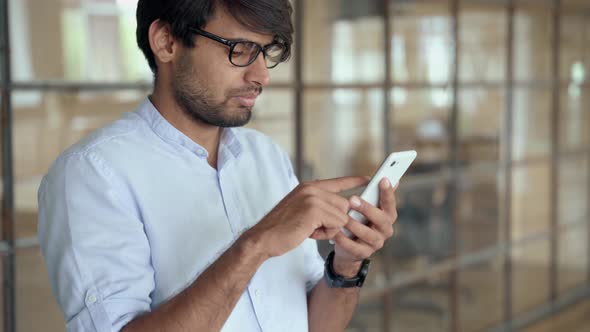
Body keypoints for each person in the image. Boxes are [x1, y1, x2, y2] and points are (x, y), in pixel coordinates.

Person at [37, 0, 398, 331]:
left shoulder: (265, 156)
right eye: (239, 50)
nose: (261, 75)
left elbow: (312, 324)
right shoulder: (93, 174)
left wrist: (345, 265)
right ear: (166, 42)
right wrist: (256, 244)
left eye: (266, 52)